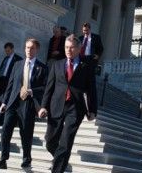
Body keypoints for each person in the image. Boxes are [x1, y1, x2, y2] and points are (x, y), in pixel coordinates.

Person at [38, 34, 98, 173]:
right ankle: (61, 160)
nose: (68, 50)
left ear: (78, 49)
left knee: (66, 142)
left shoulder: (86, 67)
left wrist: (92, 110)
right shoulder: (57, 65)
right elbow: (49, 87)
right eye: (66, 47)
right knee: (50, 141)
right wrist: (43, 106)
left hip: (75, 108)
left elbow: (91, 90)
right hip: (56, 106)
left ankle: (58, 168)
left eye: (71, 48)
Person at [0, 38, 48, 169]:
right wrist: (4, 102)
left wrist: (31, 91)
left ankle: (27, 159)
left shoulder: (42, 68)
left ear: (37, 50)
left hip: (27, 104)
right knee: (5, 131)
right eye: (27, 47)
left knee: (26, 133)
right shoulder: (17, 64)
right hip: (13, 103)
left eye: (32, 48)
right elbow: (10, 85)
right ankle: (3, 159)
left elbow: (45, 87)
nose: (29, 50)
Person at [0, 42, 22, 125]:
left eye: (8, 50)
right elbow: (1, 70)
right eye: (6, 51)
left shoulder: (18, 59)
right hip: (1, 81)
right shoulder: (5, 58)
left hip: (9, 82)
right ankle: (5, 110)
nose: (7, 52)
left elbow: (18, 73)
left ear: (12, 49)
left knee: (5, 100)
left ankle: (1, 120)